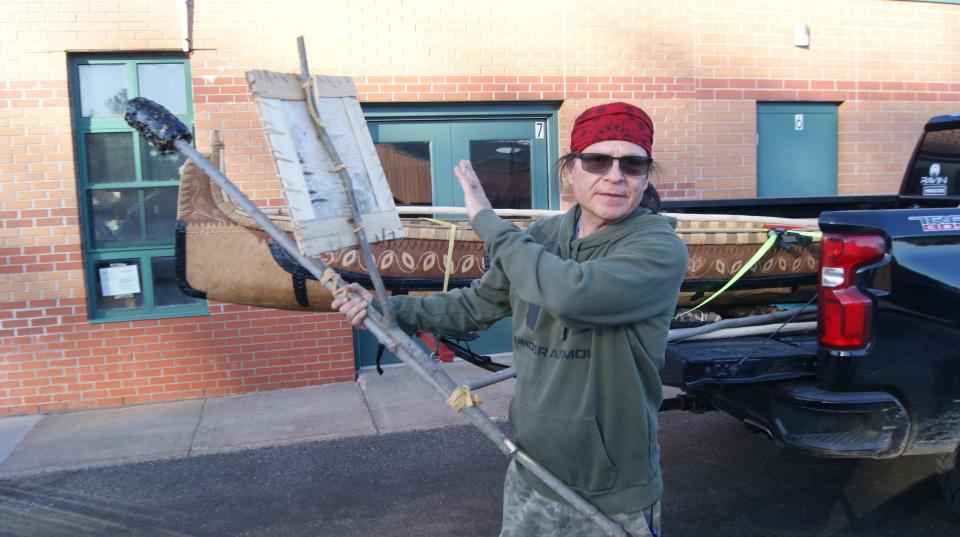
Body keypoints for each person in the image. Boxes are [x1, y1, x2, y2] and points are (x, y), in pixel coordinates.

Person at [334, 102, 688, 536]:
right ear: (570, 170)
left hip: (611, 487)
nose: (614, 176)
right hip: (532, 470)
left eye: (632, 164)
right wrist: (385, 308)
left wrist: (487, 222)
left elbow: (571, 294)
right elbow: (475, 306)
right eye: (597, 160)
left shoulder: (657, 248)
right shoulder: (540, 237)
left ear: (645, 176)